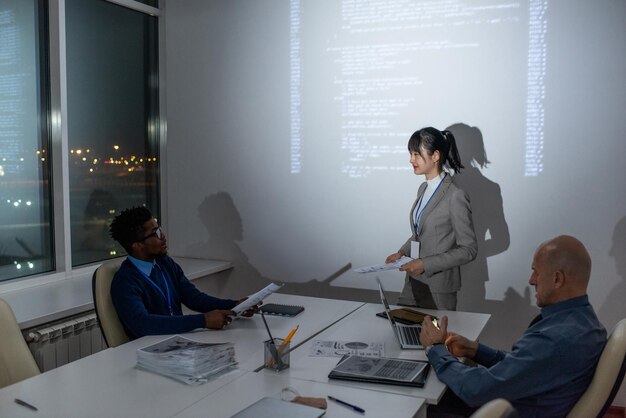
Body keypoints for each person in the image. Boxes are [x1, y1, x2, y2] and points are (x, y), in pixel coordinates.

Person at [419, 235, 607, 418]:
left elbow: (476, 390)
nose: (531, 280)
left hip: (508, 409)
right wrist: (473, 350)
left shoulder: (555, 339)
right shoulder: (586, 323)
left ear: (557, 279)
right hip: (518, 401)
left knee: (419, 405)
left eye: (536, 272)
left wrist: (435, 348)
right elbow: (525, 367)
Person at [109, 206, 255, 340]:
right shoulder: (125, 281)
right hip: (149, 348)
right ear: (137, 245)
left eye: (159, 229)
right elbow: (144, 324)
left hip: (177, 341)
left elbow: (194, 298)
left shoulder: (165, 263)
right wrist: (203, 320)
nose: (163, 236)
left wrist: (234, 306)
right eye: (155, 233)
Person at [385, 127, 477, 310]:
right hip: (413, 280)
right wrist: (402, 252)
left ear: (435, 156)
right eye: (411, 154)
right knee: (401, 329)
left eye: (417, 154)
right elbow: (421, 233)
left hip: (438, 287)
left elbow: (469, 249)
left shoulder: (455, 195)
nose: (411, 160)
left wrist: (425, 264)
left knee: (434, 338)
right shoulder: (423, 189)